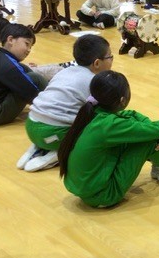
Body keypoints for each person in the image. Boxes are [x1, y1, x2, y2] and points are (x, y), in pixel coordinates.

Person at [58, 70, 159, 208]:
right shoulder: (109, 125)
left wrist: (150, 127)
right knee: (150, 139)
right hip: (103, 195)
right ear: (122, 100)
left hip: (88, 189)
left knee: (142, 132)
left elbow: (129, 114)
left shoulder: (93, 113)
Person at [17, 35, 113, 172]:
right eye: (110, 57)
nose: (112, 60)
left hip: (31, 125)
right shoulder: (95, 82)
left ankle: (38, 147)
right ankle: (58, 153)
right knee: (96, 129)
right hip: (53, 133)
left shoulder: (65, 71)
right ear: (97, 63)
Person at [0, 23, 47, 126]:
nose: (29, 50)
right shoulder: (7, 65)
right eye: (27, 44)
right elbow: (30, 93)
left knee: (24, 69)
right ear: (10, 40)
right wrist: (46, 101)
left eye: (30, 47)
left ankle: (53, 94)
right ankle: (57, 101)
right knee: (35, 78)